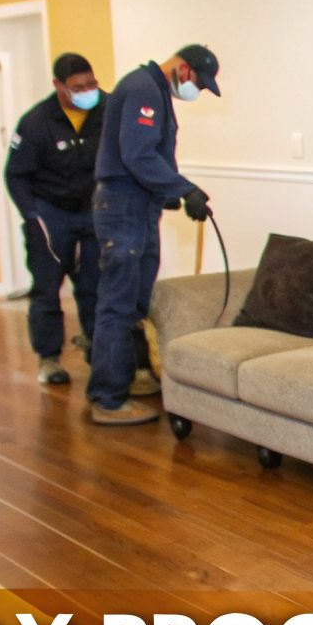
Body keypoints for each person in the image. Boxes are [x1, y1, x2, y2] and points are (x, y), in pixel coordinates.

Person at [86, 44, 217, 425]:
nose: (198, 91)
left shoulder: (155, 90)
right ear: (184, 69)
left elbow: (151, 156)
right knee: (118, 302)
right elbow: (138, 154)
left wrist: (166, 192)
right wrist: (183, 189)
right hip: (123, 205)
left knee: (136, 300)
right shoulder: (143, 88)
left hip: (139, 204)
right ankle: (108, 399)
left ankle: (127, 378)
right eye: (200, 83)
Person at [4, 53, 105, 385]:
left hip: (92, 211)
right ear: (58, 86)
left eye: (92, 83)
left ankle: (96, 348)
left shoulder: (106, 109)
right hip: (51, 214)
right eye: (78, 86)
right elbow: (15, 175)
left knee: (94, 285)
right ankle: (49, 359)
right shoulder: (36, 122)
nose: (88, 91)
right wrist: (32, 215)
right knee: (47, 290)